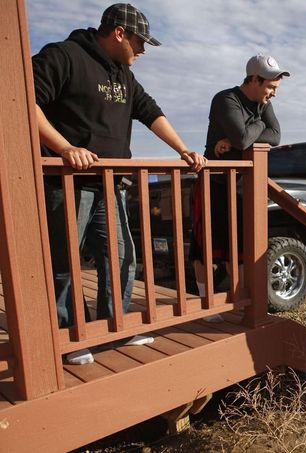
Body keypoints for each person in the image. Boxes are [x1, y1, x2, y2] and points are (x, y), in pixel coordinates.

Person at [33, 3, 207, 365]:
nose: (143, 50)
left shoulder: (123, 74)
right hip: (66, 183)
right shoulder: (64, 56)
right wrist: (64, 147)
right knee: (63, 262)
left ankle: (114, 329)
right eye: (140, 42)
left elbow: (150, 112)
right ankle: (69, 337)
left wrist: (184, 150)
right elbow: (21, 102)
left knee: (122, 257)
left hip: (109, 184)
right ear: (118, 33)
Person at [190, 55, 289, 320]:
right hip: (213, 183)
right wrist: (249, 131)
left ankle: (241, 301)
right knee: (206, 247)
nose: (273, 94)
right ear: (254, 80)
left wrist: (234, 142)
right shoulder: (226, 99)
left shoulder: (262, 102)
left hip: (239, 186)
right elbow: (244, 137)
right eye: (270, 87)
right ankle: (206, 304)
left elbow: (276, 136)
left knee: (239, 248)